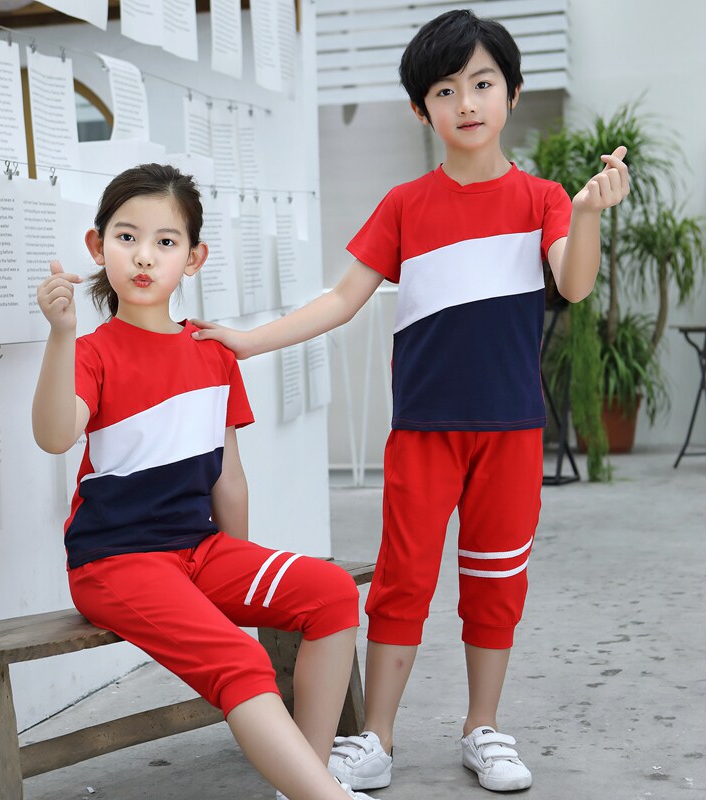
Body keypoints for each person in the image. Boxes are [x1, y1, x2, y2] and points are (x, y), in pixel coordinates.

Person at [190, 9, 631, 794]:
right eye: (445, 89)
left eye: (482, 83)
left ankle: (482, 728)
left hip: (511, 431)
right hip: (423, 432)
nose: (467, 102)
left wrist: (589, 210)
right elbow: (341, 299)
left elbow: (574, 282)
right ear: (421, 110)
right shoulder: (404, 205)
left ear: (512, 93)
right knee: (403, 580)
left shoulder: (543, 200)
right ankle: (377, 738)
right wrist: (249, 342)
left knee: (497, 580)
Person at [32, 163, 381, 800]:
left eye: (165, 241)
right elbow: (55, 436)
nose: (144, 256)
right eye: (126, 237)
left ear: (193, 258)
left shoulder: (213, 352)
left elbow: (229, 476)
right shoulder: (91, 352)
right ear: (97, 246)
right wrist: (61, 336)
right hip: (116, 561)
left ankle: (305, 776)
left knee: (332, 593)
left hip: (201, 551)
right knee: (241, 660)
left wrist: (238, 575)